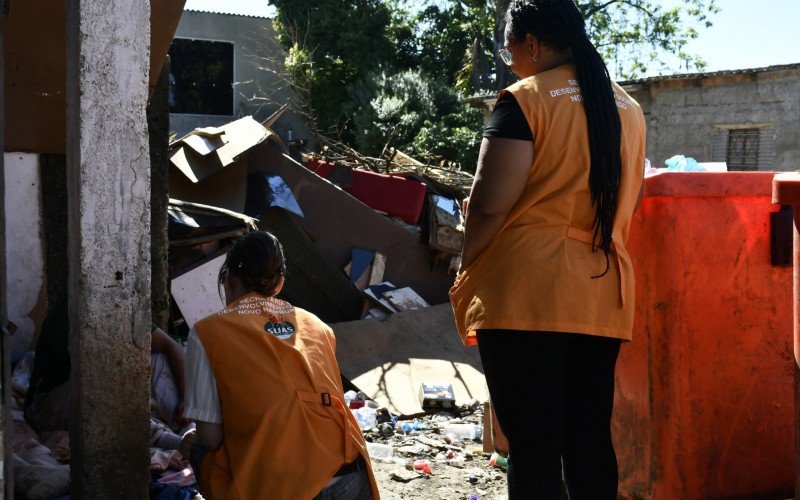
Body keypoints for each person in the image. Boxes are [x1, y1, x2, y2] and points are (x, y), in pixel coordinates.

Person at [449, 1, 646, 498]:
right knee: (588, 440)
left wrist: (466, 264)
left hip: (528, 295)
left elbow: (490, 206)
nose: (510, 59)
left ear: (532, 44)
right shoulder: (628, 108)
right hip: (602, 294)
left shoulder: (526, 99)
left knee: (535, 447)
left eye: (510, 48)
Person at [184, 230, 378, 499]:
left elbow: (211, 439)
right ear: (279, 284)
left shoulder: (207, 332)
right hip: (353, 477)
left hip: (285, 487)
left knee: (197, 447)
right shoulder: (317, 326)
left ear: (229, 279)